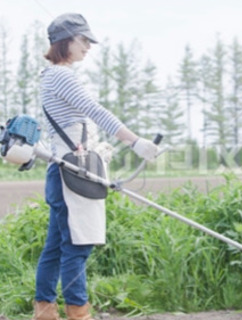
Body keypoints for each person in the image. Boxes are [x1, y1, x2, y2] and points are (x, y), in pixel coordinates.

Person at [33, 13, 158, 320]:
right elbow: (95, 110)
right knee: (78, 244)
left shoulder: (52, 76)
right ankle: (79, 313)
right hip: (70, 173)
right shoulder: (62, 76)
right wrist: (135, 141)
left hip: (66, 169)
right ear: (66, 41)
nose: (88, 46)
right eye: (83, 40)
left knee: (56, 246)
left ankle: (45, 311)